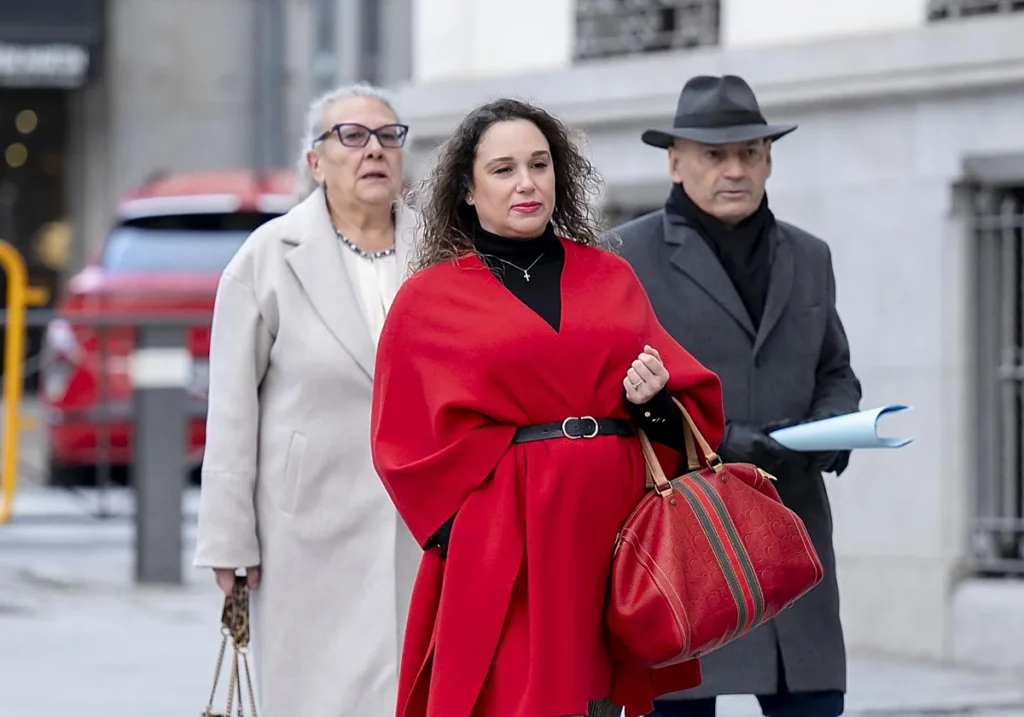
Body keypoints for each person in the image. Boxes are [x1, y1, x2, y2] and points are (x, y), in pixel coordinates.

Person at [369, 97, 726, 717]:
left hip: (609, 537)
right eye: (504, 169)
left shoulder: (611, 277)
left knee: (594, 698)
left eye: (540, 164)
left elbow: (687, 412)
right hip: (505, 542)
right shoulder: (427, 299)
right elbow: (399, 441)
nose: (527, 183)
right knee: (510, 696)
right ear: (468, 189)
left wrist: (655, 402)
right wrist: (467, 532)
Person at [614, 75, 862, 717]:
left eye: (749, 153)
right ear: (674, 162)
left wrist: (835, 424)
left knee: (811, 702)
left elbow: (835, 368)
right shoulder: (626, 257)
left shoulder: (811, 255)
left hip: (792, 535)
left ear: (769, 160)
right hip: (688, 538)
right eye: (714, 154)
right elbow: (618, 395)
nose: (734, 169)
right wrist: (729, 443)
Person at [193, 82, 422, 717]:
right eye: (351, 136)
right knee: (317, 696)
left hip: (422, 528)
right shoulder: (266, 258)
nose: (372, 149)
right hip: (304, 530)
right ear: (315, 162)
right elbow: (232, 411)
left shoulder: (443, 254)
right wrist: (229, 543)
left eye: (387, 136)